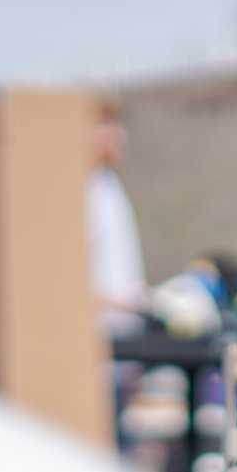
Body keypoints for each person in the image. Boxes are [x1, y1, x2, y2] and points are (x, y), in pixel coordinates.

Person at [86, 101, 147, 338]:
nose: (120, 134)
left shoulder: (107, 183)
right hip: (98, 345)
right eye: (106, 123)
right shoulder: (71, 193)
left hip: (130, 346)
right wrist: (118, 304)